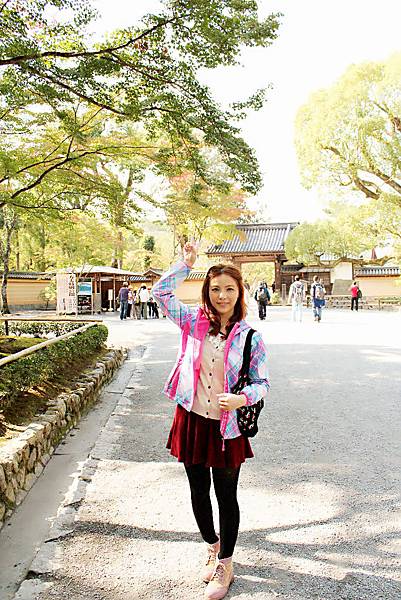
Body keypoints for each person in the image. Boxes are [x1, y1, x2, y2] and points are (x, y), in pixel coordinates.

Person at [152, 242, 269, 600]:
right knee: (197, 490)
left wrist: (241, 398)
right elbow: (160, 292)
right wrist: (185, 264)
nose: (222, 295)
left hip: (226, 426)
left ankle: (226, 563)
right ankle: (211, 545)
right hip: (191, 418)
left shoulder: (251, 337)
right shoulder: (192, 322)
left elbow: (261, 383)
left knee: (226, 494)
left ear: (239, 293)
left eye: (229, 289)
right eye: (215, 288)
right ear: (207, 291)